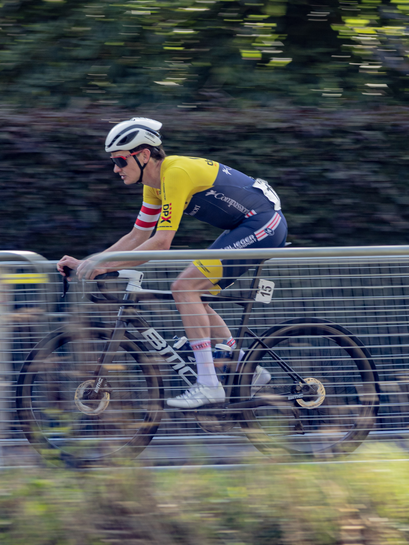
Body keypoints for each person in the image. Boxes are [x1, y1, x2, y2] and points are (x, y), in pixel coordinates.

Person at [57, 117, 288, 409]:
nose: (115, 168)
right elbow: (138, 236)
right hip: (245, 226)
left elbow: (161, 242)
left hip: (264, 224)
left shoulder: (174, 173)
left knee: (184, 287)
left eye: (120, 160)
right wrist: (90, 262)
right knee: (195, 294)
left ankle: (208, 385)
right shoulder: (153, 185)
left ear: (143, 155)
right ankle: (248, 368)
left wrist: (103, 266)